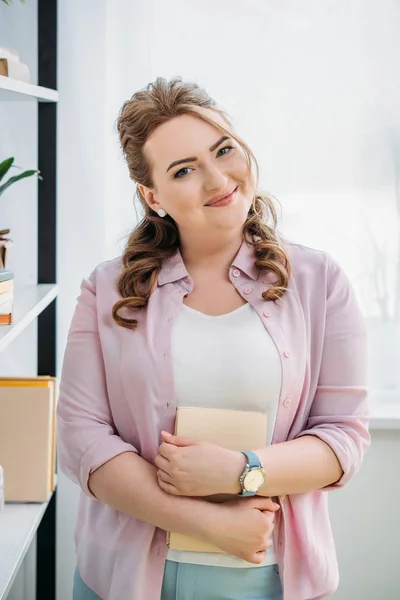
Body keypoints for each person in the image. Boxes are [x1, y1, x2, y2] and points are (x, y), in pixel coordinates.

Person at [57, 77, 370, 600]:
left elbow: (343, 437)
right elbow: (81, 437)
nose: (217, 178)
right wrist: (203, 520)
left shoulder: (320, 282)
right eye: (183, 170)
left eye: (223, 150)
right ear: (152, 196)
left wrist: (241, 471)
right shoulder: (107, 288)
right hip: (124, 579)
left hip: (268, 577)